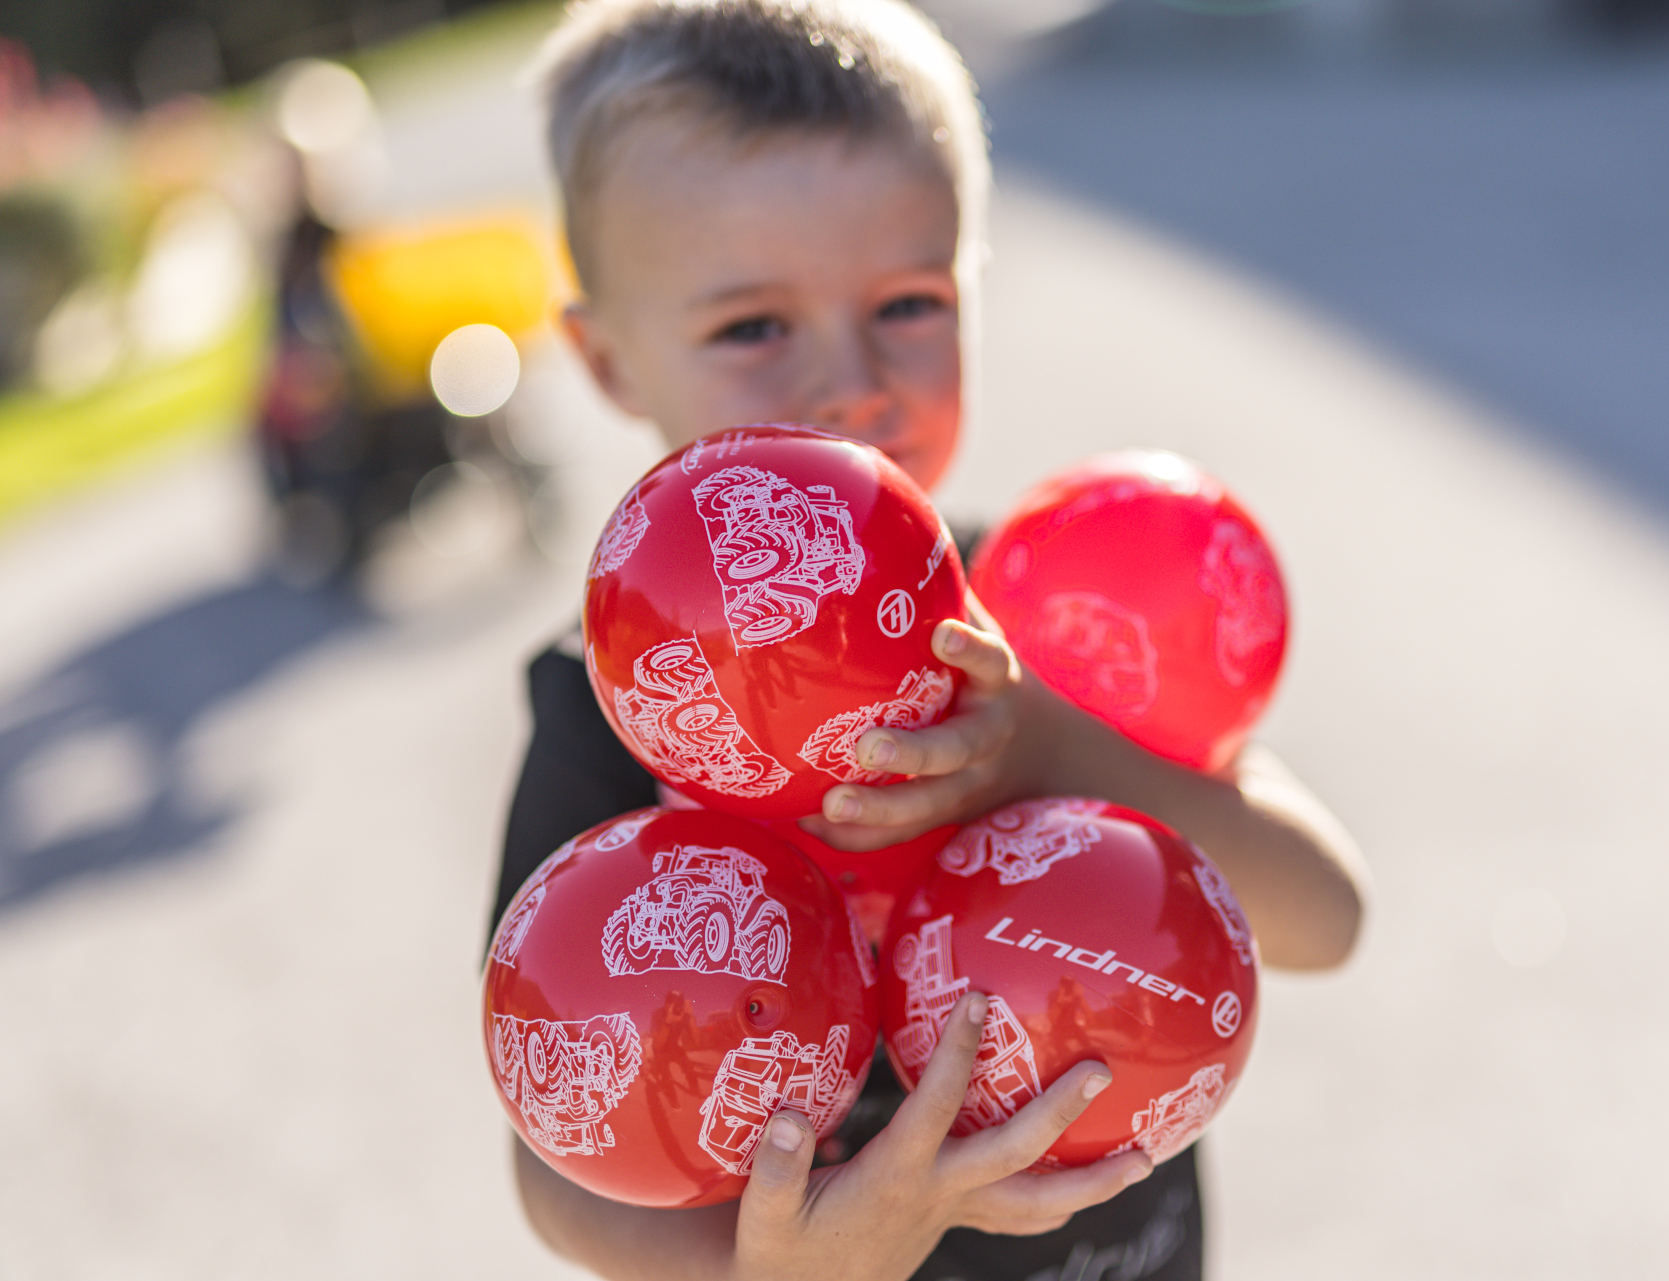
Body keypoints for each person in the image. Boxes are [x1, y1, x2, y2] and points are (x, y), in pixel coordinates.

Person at [489, 2, 1370, 1278]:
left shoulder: (1047, 616)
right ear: (609, 361)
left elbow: (1323, 914)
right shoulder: (619, 702)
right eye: (751, 328)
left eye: (908, 301)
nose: (850, 381)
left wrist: (1040, 749)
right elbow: (554, 1156)